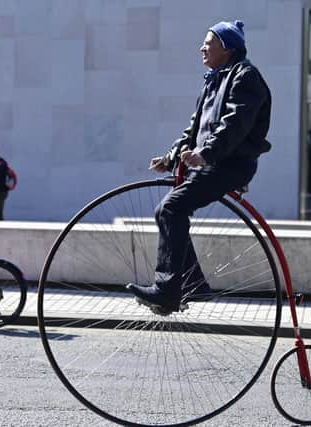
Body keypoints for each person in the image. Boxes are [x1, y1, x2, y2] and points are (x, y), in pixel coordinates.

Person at [126, 20, 272, 313]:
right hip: (212, 163)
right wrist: (170, 157)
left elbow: (235, 124)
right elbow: (193, 130)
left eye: (208, 43)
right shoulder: (214, 79)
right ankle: (193, 284)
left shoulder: (245, 77)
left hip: (230, 165)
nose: (201, 48)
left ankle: (168, 290)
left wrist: (206, 153)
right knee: (166, 211)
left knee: (171, 209)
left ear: (227, 47)